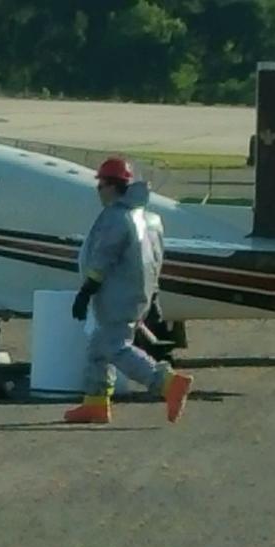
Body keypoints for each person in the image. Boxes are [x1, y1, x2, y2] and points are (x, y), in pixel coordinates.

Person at [64, 157, 193, 424]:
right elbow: (154, 260)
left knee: (115, 347)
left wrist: (86, 291)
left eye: (101, 185)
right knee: (98, 349)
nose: (98, 191)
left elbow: (102, 258)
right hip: (137, 295)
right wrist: (152, 295)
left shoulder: (115, 217)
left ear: (112, 186)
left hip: (116, 296)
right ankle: (96, 403)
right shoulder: (148, 219)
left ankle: (167, 383)